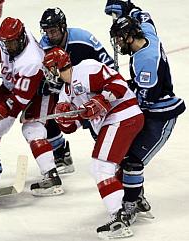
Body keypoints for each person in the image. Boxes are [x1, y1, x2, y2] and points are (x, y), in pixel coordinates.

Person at [101, 0, 186, 235]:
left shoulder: (145, 62)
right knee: (125, 157)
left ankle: (129, 206)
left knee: (132, 162)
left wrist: (112, 97)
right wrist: (125, 6)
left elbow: (142, 102)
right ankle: (136, 196)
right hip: (152, 108)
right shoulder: (146, 32)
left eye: (119, 39)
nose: (118, 45)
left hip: (161, 115)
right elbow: (142, 14)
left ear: (129, 36)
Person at [42, 47, 144, 239]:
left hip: (123, 115)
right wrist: (67, 119)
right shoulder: (65, 93)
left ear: (57, 67)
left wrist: (100, 100)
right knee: (105, 168)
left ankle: (119, 217)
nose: (48, 74)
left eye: (49, 69)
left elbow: (119, 85)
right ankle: (128, 207)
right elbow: (73, 126)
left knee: (100, 167)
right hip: (112, 122)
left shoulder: (86, 68)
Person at [0, 17, 64, 196]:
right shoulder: (7, 37)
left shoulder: (31, 61)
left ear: (20, 39)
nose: (7, 47)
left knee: (32, 129)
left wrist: (0, 110)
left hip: (40, 92)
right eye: (5, 43)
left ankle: (51, 177)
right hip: (13, 84)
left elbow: (18, 101)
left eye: (11, 43)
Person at [38, 7, 115, 174]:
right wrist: (45, 83)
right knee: (50, 112)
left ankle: (112, 155)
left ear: (63, 26)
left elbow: (109, 65)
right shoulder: (44, 45)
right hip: (67, 89)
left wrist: (106, 90)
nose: (50, 35)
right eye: (46, 31)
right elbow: (44, 74)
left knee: (96, 119)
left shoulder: (84, 39)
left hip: (92, 88)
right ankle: (61, 154)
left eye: (53, 30)